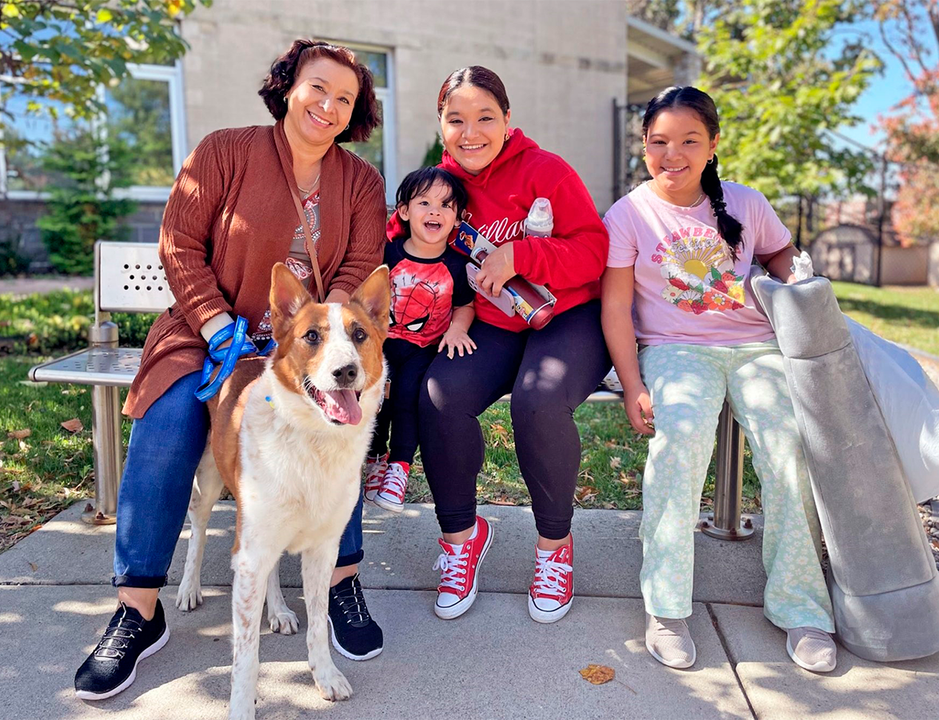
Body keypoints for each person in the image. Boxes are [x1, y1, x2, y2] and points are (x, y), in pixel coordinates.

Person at [74, 38, 389, 700]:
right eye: (317, 88)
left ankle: (340, 582)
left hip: (305, 341)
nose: (327, 106)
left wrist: (312, 336)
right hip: (205, 330)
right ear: (287, 86)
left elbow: (361, 276)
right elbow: (180, 244)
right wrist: (220, 328)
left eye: (345, 98)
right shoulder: (223, 151)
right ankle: (138, 609)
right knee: (166, 419)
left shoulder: (361, 182)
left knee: (339, 422)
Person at [600, 86, 837, 673]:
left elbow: (787, 262)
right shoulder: (629, 213)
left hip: (757, 347)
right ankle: (667, 606)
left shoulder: (747, 203)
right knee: (679, 443)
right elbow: (615, 307)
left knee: (790, 449)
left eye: (688, 141)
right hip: (677, 352)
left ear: (713, 146)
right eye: (659, 142)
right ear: (644, 145)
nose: (671, 154)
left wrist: (800, 282)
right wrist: (632, 383)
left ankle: (802, 607)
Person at [416, 66, 612, 624]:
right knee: (439, 395)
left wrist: (522, 256)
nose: (470, 132)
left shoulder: (546, 170)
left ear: (507, 121)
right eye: (456, 119)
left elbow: (593, 249)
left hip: (569, 316)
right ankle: (462, 536)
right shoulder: (439, 186)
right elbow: (409, 239)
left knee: (539, 400)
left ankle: (554, 548)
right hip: (494, 323)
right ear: (441, 124)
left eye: (485, 118)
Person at [362, 167, 476, 511]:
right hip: (380, 346)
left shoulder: (457, 265)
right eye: (424, 202)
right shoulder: (387, 255)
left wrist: (458, 328)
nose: (434, 211)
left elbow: (466, 305)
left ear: (457, 218)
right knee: (375, 396)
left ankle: (399, 468)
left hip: (423, 349)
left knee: (409, 394)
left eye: (445, 205)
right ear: (404, 211)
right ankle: (375, 458)